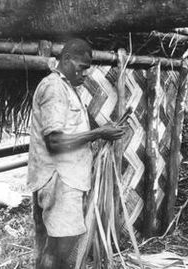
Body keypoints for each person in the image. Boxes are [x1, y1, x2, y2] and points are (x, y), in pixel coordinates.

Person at [27, 38, 125, 268]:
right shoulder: (54, 87)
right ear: (67, 59)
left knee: (57, 249)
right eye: (81, 67)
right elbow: (55, 141)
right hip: (60, 180)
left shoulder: (67, 89)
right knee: (59, 249)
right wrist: (98, 133)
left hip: (65, 179)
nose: (84, 74)